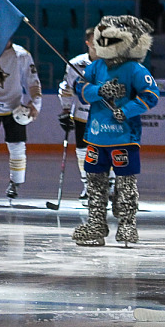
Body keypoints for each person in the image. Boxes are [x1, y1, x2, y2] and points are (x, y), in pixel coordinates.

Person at [71, 16, 162, 246]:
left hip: (123, 139)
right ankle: (96, 224)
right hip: (96, 137)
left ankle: (127, 224)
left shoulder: (135, 69)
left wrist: (127, 110)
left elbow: (151, 95)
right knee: (94, 184)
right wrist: (99, 91)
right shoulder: (96, 67)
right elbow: (80, 89)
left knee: (125, 184)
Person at [0, 40, 42, 203]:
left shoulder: (21, 55)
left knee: (17, 146)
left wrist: (36, 103)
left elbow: (32, 81)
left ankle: (15, 183)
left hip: (14, 107)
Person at [57, 29, 96, 200]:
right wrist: (66, 111)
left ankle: (109, 185)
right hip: (82, 114)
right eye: (95, 41)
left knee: (106, 150)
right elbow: (67, 88)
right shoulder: (76, 63)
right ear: (88, 43)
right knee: (82, 150)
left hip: (104, 116)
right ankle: (87, 185)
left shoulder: (112, 64)